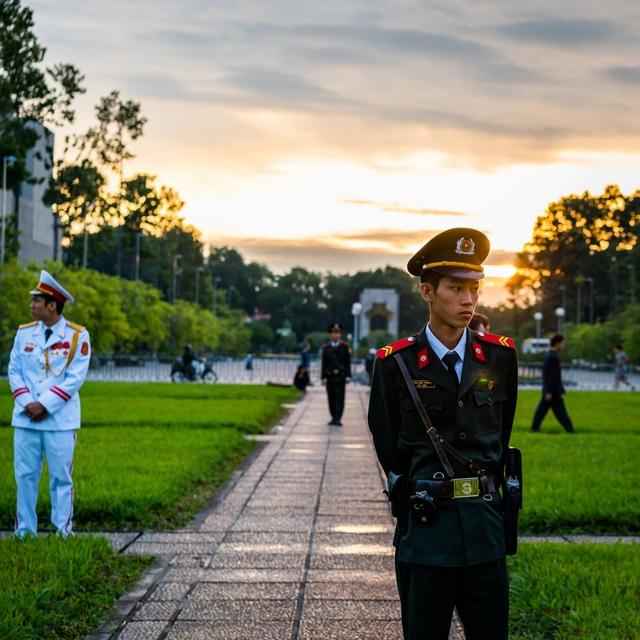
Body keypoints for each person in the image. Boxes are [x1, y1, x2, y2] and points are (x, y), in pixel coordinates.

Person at [368, 228, 518, 640]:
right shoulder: (395, 363)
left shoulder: (500, 356)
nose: (468, 300)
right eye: (456, 288)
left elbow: (500, 437)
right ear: (427, 292)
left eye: (473, 288)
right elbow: (388, 446)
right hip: (426, 530)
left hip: (485, 528)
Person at [8, 270, 91, 538]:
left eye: (37, 301)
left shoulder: (78, 336)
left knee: (61, 478)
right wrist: (28, 403)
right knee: (25, 477)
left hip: (59, 420)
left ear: (52, 305)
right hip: (26, 417)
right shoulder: (24, 334)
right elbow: (14, 371)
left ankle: (63, 532)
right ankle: (24, 532)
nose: (31, 305)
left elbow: (74, 378)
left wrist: (43, 405)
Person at [531, 334, 575, 433]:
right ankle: (570, 430)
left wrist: (561, 389)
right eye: (563, 343)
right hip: (553, 391)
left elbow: (554, 376)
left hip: (552, 390)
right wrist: (548, 391)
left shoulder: (551, 356)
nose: (563, 346)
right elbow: (549, 376)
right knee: (560, 412)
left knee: (542, 411)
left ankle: (534, 429)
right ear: (557, 343)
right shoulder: (552, 357)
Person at [321, 322, 351, 426]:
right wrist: (323, 377)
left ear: (340, 334)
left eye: (338, 333)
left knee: (340, 398)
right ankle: (333, 416)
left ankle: (338, 418)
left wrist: (348, 376)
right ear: (331, 334)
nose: (336, 335)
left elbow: (347, 362)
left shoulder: (344, 346)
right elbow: (324, 363)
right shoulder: (326, 347)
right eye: (334, 333)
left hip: (341, 376)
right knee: (331, 398)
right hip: (330, 376)